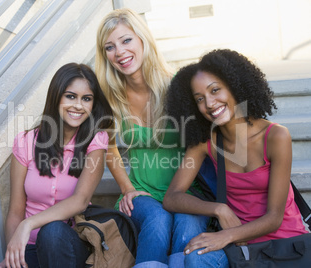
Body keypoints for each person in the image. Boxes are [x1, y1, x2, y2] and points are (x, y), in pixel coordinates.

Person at [164, 49, 308, 267]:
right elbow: (172, 197)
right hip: (241, 250)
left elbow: (275, 217)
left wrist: (226, 236)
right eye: (200, 99)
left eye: (215, 90)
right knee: (193, 259)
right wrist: (218, 208)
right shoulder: (207, 142)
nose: (210, 104)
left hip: (285, 245)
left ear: (234, 85)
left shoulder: (276, 136)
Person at [95, 8, 209, 267]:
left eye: (126, 40)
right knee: (157, 220)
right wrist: (128, 188)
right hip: (142, 191)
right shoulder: (111, 96)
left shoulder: (177, 86)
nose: (120, 52)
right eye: (109, 47)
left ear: (142, 39)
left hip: (187, 188)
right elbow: (109, 148)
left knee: (187, 227)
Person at [0, 63, 113, 268]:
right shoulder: (26, 141)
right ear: (56, 96)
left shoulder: (96, 141)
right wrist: (13, 254)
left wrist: (29, 224)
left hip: (71, 244)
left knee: (52, 231)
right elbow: (16, 210)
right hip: (31, 247)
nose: (78, 105)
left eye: (86, 99)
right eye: (70, 96)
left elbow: (80, 200)